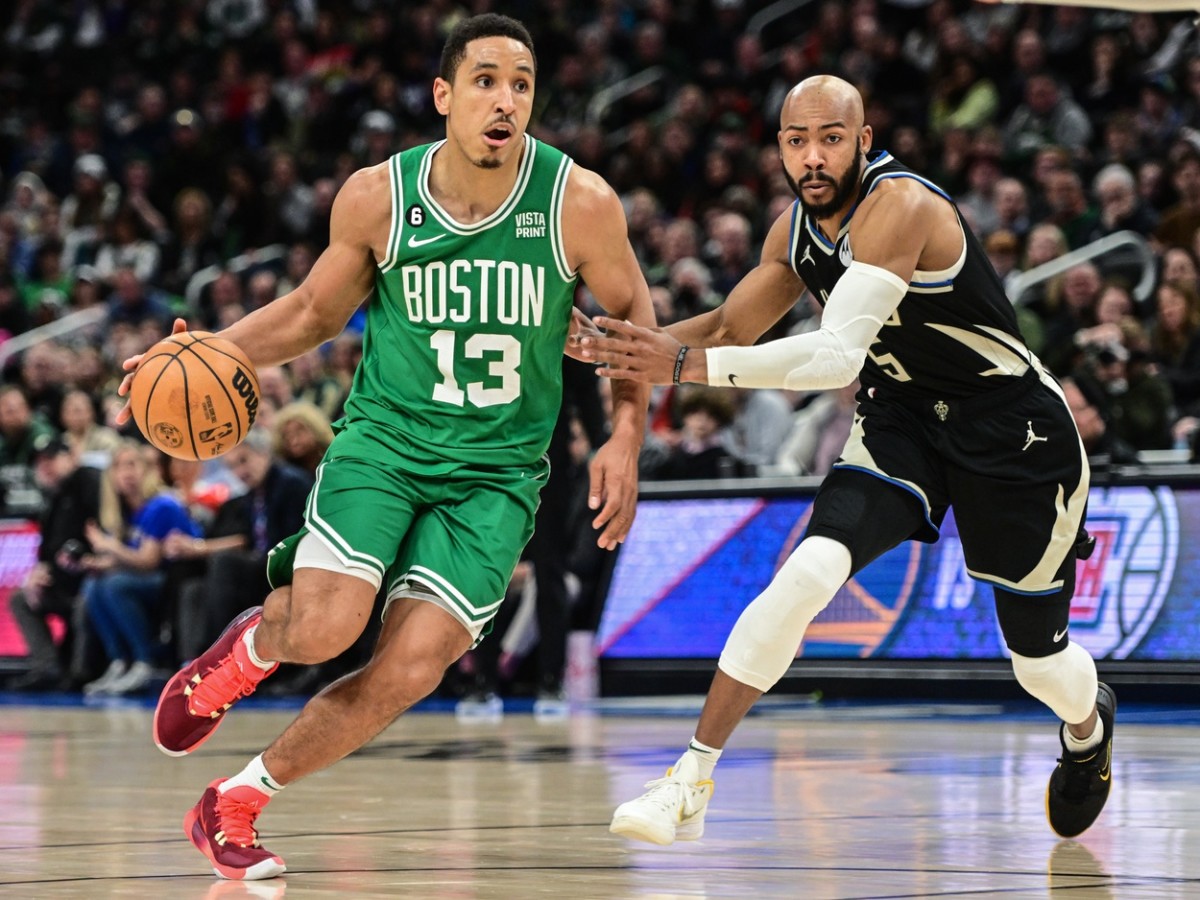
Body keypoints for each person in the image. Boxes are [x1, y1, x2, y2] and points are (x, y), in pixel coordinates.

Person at [117, 14, 652, 881]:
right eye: (485, 81)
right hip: (388, 444)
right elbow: (311, 313)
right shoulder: (379, 196)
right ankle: (245, 654)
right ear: (443, 95)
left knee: (412, 666)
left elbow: (634, 322)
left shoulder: (577, 202)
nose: (505, 100)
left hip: (497, 475)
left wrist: (626, 435)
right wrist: (206, 350)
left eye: (521, 84)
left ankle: (234, 801)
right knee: (326, 626)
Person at [578, 75, 1114, 846]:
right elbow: (729, 327)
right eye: (797, 141)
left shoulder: (902, 206)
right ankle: (689, 781)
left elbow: (834, 356)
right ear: (779, 148)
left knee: (1037, 663)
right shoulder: (794, 230)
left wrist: (684, 366)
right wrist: (614, 349)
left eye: (830, 139)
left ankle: (1089, 729)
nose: (813, 157)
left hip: (1011, 430)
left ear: (863, 141)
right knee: (806, 574)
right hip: (902, 420)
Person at [79, 440, 203, 696]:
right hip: (153, 578)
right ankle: (119, 661)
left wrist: (109, 547)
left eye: (132, 464)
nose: (126, 472)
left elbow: (148, 561)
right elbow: (129, 558)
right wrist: (96, 563)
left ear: (147, 470)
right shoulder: (129, 512)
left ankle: (144, 661)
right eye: (119, 466)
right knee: (93, 585)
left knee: (115, 585)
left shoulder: (161, 504)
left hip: (180, 580)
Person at [6, 438, 101, 691]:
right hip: (63, 583)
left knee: (87, 599)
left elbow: (99, 533)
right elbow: (47, 553)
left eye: (51, 459)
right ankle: (46, 666)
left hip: (91, 578)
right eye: (40, 462)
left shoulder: (88, 481)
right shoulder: (52, 500)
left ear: (71, 457)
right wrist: (38, 575)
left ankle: (81, 672)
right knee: (20, 598)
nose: (45, 466)